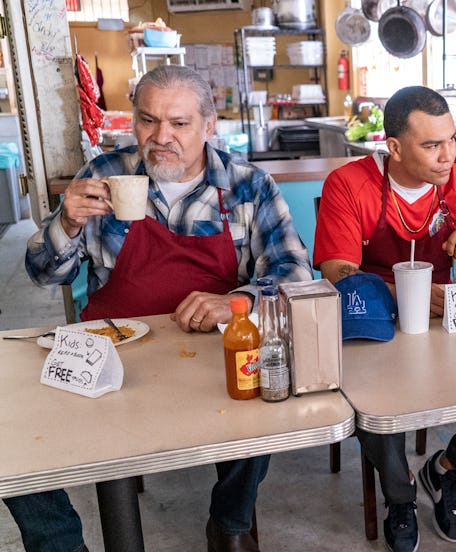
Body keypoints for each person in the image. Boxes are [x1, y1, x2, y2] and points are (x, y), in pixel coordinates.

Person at [12, 65, 312, 552]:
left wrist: (234, 301)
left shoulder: (247, 185)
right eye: (148, 121)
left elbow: (295, 276)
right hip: (109, 350)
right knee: (15, 434)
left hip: (208, 351)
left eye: (179, 123)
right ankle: (60, 544)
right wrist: (65, 224)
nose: (161, 137)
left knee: (265, 393)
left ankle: (230, 523)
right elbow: (45, 275)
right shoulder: (104, 175)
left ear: (209, 126)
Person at [314, 85, 456, 552]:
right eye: (432, 145)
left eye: (452, 140)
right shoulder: (349, 183)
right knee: (375, 401)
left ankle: (449, 468)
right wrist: (408, 295)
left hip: (446, 318)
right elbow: (338, 272)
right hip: (372, 320)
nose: (448, 155)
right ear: (393, 147)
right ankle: (400, 497)